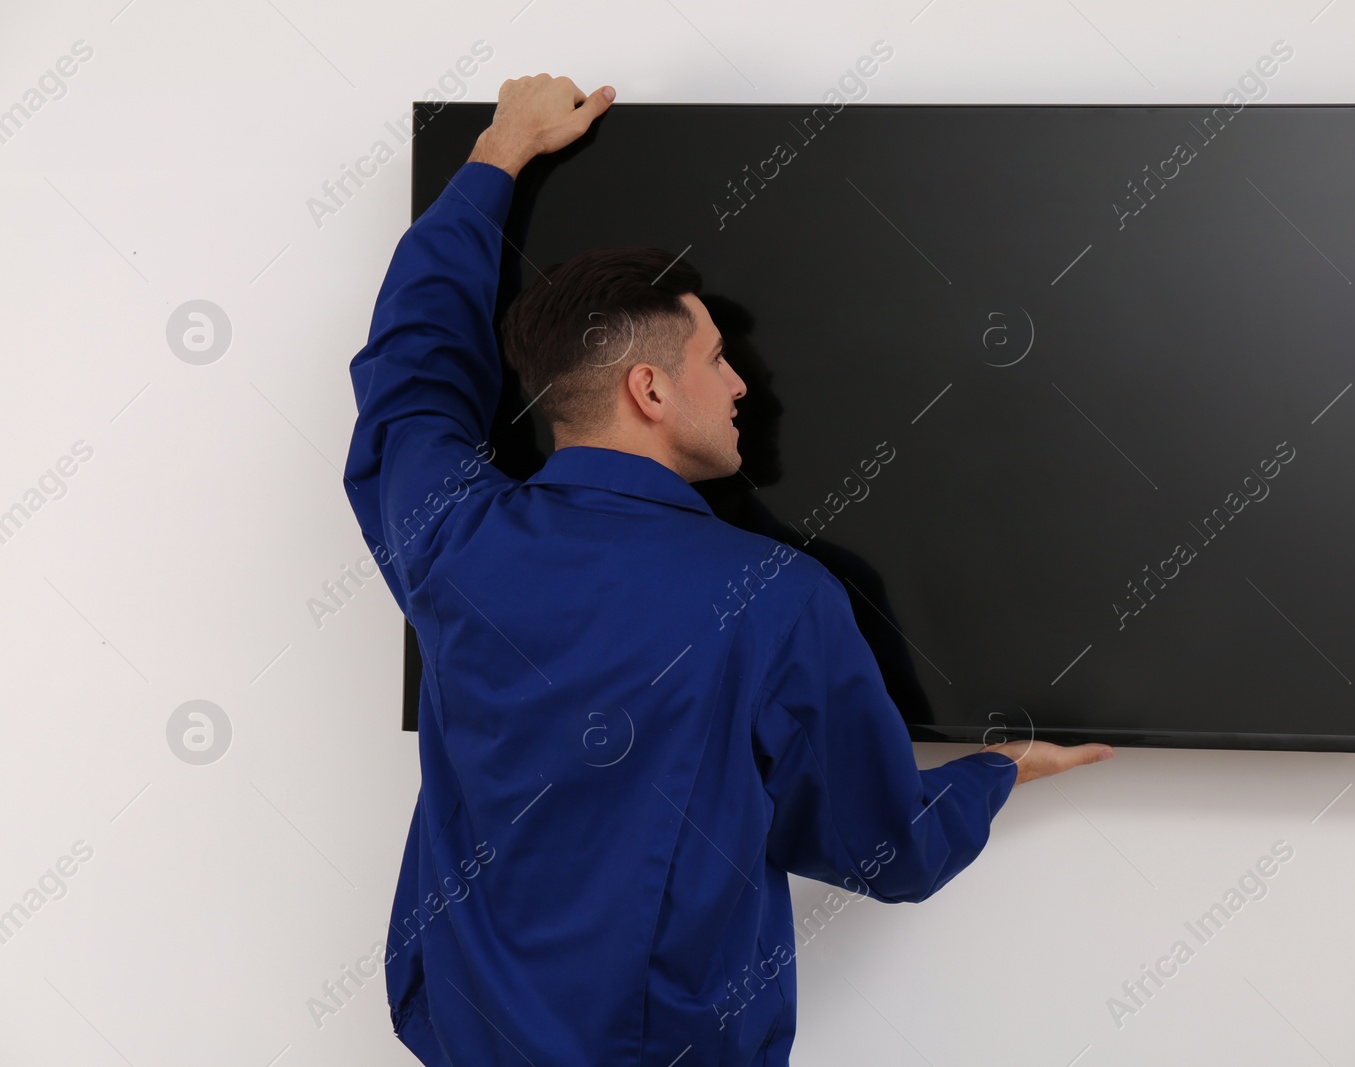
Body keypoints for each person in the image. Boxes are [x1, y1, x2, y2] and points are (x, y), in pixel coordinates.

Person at [342, 73, 1114, 1067]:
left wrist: (497, 154)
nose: (741, 379)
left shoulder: (454, 537)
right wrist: (995, 771)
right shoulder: (777, 601)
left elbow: (410, 372)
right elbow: (884, 846)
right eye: (717, 356)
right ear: (650, 385)